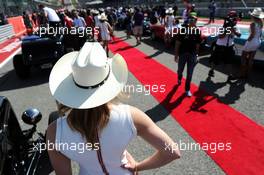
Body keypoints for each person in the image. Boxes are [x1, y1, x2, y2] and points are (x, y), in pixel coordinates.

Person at [47, 42, 180, 175]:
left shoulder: (54, 132)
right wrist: (137, 167)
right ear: (108, 78)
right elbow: (172, 152)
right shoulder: (131, 116)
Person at [208, 11, 241, 81]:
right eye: (232, 18)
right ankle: (211, 70)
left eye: (234, 18)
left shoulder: (235, 27)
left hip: (229, 46)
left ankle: (230, 75)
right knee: (215, 60)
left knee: (229, 62)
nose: (234, 20)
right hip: (220, 46)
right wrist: (227, 30)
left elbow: (239, 35)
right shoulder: (223, 26)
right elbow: (220, 36)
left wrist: (233, 30)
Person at [175, 12, 201, 97]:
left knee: (190, 73)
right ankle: (179, 77)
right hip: (182, 54)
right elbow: (177, 43)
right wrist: (176, 55)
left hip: (192, 54)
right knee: (180, 70)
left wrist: (197, 55)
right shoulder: (183, 29)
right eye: (191, 19)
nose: (193, 21)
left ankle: (187, 89)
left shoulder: (197, 31)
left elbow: (197, 44)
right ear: (189, 20)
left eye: (195, 20)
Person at [239, 8, 264, 79]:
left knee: (243, 57)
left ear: (254, 16)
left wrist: (248, 40)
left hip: (252, 41)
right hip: (257, 41)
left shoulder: (253, 24)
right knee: (251, 59)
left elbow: (252, 34)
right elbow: (259, 34)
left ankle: (242, 74)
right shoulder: (261, 23)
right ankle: (247, 74)